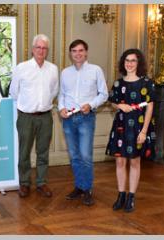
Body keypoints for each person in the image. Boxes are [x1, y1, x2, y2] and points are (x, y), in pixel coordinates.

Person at [58, 39, 108, 206]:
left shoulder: (96, 70)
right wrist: (61, 108)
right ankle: (79, 186)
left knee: (85, 156)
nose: (77, 54)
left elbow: (103, 94)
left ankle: (87, 189)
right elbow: (62, 95)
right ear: (70, 54)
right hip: (68, 119)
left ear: (86, 52)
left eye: (80, 50)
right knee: (74, 156)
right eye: (74, 51)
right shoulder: (65, 72)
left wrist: (91, 105)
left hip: (86, 118)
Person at [105, 48, 156, 212]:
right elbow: (113, 102)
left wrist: (144, 132)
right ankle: (121, 195)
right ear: (123, 62)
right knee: (120, 161)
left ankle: (131, 197)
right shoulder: (119, 83)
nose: (130, 63)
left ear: (138, 62)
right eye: (127, 60)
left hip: (138, 127)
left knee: (135, 161)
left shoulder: (147, 83)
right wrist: (120, 105)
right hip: (121, 126)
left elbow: (150, 108)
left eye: (133, 60)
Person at [10, 34, 59, 198]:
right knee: (24, 152)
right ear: (32, 49)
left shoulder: (53, 69)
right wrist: (28, 106)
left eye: (44, 48)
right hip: (26, 117)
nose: (41, 50)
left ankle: (41, 182)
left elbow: (54, 91)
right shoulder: (21, 68)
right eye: (38, 47)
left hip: (46, 117)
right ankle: (24, 183)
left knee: (43, 152)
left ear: (47, 50)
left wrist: (42, 104)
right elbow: (14, 92)